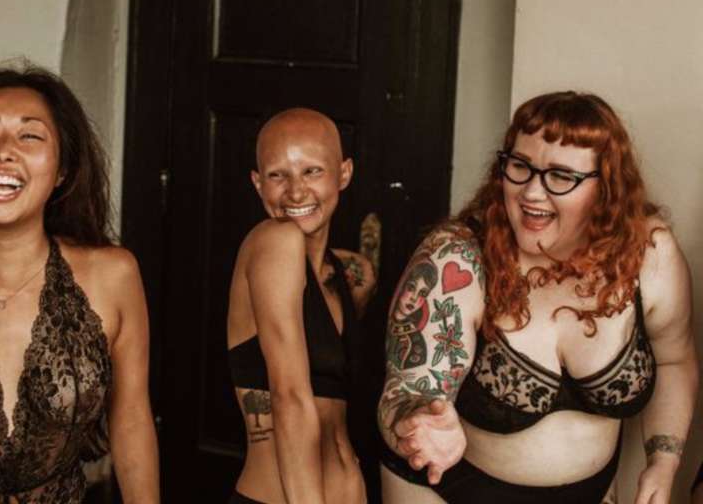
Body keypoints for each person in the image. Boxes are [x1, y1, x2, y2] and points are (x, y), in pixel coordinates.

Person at [378, 91, 698, 504]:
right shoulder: (457, 257)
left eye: (560, 176)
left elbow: (674, 359)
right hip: (448, 491)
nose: (531, 191)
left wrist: (663, 461)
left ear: (606, 188)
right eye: (520, 166)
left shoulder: (646, 254)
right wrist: (418, 421)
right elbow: (406, 389)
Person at [0, 67, 159, 503]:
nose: (3, 151)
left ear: (62, 171)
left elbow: (131, 420)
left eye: (30, 136)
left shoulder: (113, 275)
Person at [227, 108, 375, 503]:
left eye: (312, 171)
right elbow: (289, 395)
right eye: (278, 175)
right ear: (258, 183)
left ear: (344, 173)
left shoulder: (349, 275)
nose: (295, 192)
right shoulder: (273, 241)